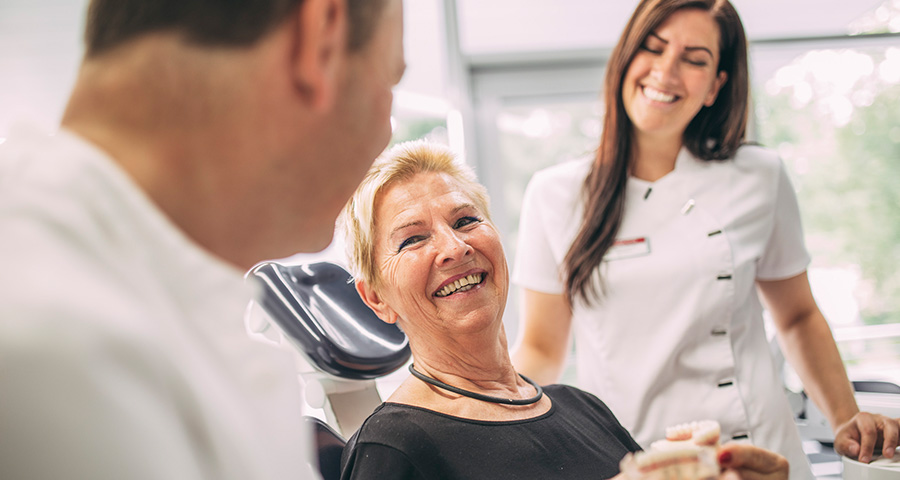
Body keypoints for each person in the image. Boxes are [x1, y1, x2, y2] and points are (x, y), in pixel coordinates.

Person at [0, 0, 405, 478]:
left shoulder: (121, 291)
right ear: (320, 36)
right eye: (389, 81)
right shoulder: (63, 354)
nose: (386, 132)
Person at [511, 0, 900, 479]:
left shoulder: (760, 176)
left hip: (761, 455)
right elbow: (542, 350)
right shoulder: (556, 194)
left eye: (694, 59)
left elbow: (797, 316)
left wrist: (846, 417)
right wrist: (485, 432)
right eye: (653, 49)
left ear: (717, 84)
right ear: (625, 58)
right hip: (637, 461)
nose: (666, 71)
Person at [336, 140, 789, 480]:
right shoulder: (394, 446)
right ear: (376, 297)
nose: (454, 248)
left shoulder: (582, 409)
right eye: (413, 238)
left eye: (465, 221)